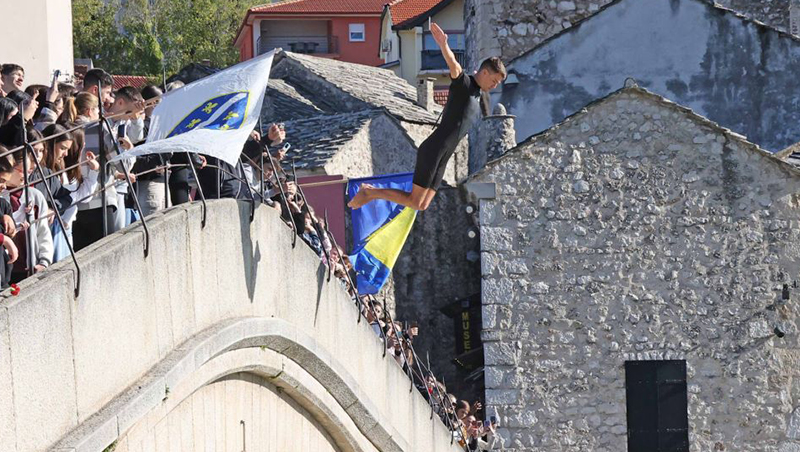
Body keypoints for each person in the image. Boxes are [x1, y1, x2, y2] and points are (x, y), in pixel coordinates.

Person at [348, 23, 506, 211]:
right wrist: (443, 44)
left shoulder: (478, 94)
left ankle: (371, 193)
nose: (495, 85)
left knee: (421, 205)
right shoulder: (464, 84)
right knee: (416, 201)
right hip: (434, 149)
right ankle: (369, 193)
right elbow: (454, 65)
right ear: (485, 72)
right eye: (494, 80)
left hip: (444, 155)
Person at [38, 124, 99, 262]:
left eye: (68, 149)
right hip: (52, 230)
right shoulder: (45, 170)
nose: (65, 153)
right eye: (63, 148)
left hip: (64, 229)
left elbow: (80, 197)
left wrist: (94, 172)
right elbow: (76, 196)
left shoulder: (62, 167)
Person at [2, 148, 53, 282]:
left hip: (28, 265)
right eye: (22, 170)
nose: (26, 175)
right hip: (5, 266)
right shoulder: (2, 196)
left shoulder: (34, 195)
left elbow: (43, 231)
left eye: (29, 170)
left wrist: (44, 261)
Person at [0, 148, 19, 289]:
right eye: (1, 180)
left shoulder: (3, 204)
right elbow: (6, 239)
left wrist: (10, 224)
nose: (4, 186)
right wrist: (4, 239)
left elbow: (12, 233)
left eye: (5, 182)